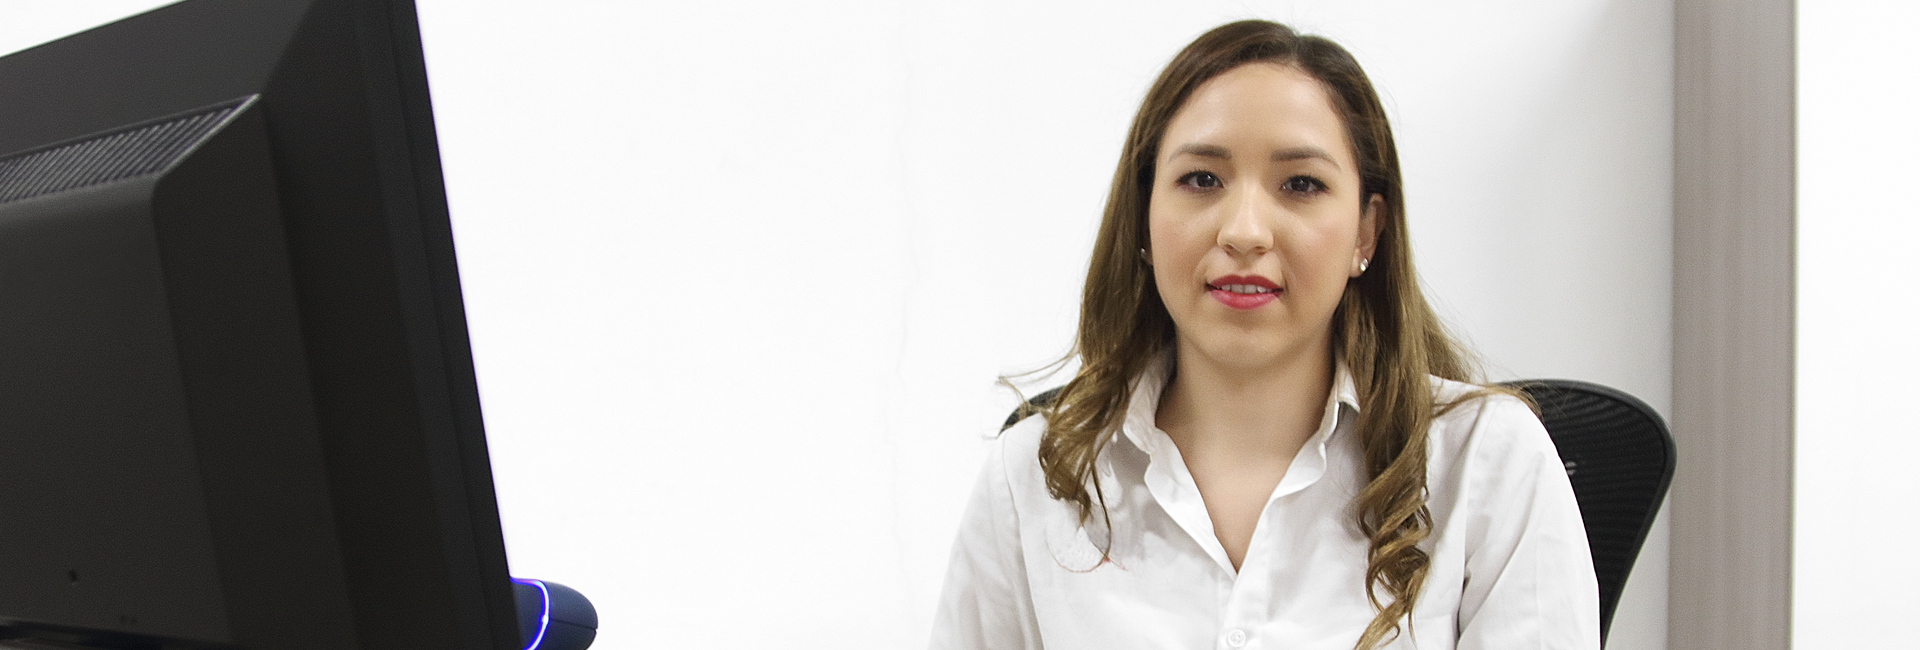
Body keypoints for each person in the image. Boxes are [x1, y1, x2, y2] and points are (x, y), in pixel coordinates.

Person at [931, 20, 1597, 650]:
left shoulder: (1486, 463)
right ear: (1143, 218)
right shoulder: (1030, 478)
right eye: (1201, 179)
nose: (1244, 231)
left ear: (1366, 231)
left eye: (1301, 184)